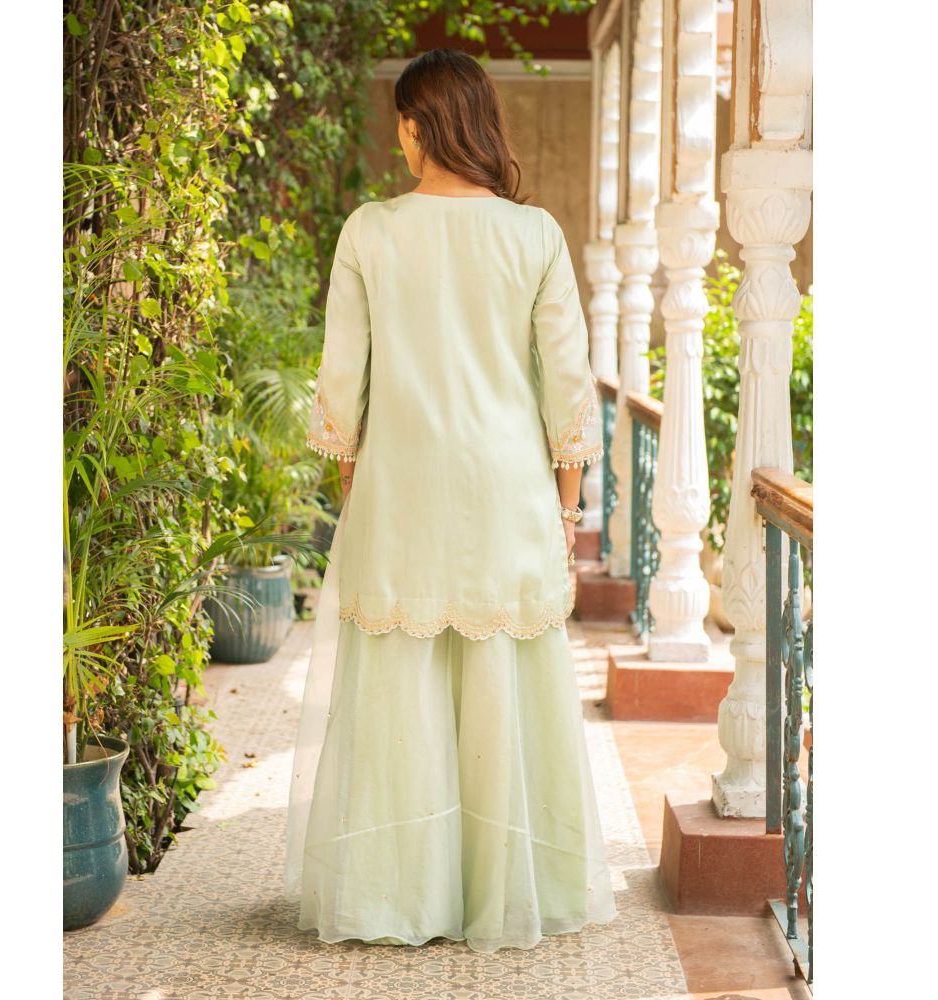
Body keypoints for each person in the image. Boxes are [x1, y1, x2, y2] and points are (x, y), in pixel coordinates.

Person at [283, 47, 618, 953]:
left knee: (402, 700)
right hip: (508, 497)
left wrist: (355, 487)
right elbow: (570, 394)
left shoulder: (370, 232)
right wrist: (566, 515)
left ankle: (399, 898)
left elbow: (343, 389)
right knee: (504, 695)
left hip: (399, 493)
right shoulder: (535, 235)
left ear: (413, 128)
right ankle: (508, 892)